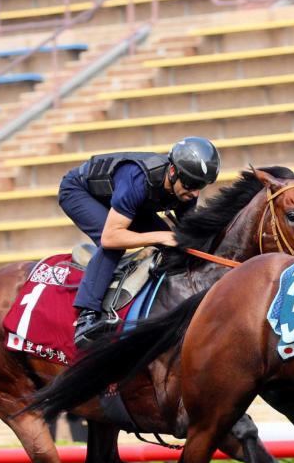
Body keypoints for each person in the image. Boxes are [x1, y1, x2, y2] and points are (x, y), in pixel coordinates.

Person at [59, 137, 221, 347]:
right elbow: (110, 237)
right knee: (115, 245)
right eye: (191, 184)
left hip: (123, 200)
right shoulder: (137, 179)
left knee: (171, 241)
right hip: (79, 192)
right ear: (172, 172)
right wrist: (159, 237)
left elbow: (189, 233)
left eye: (202, 186)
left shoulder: (186, 188)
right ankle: (86, 318)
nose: (195, 193)